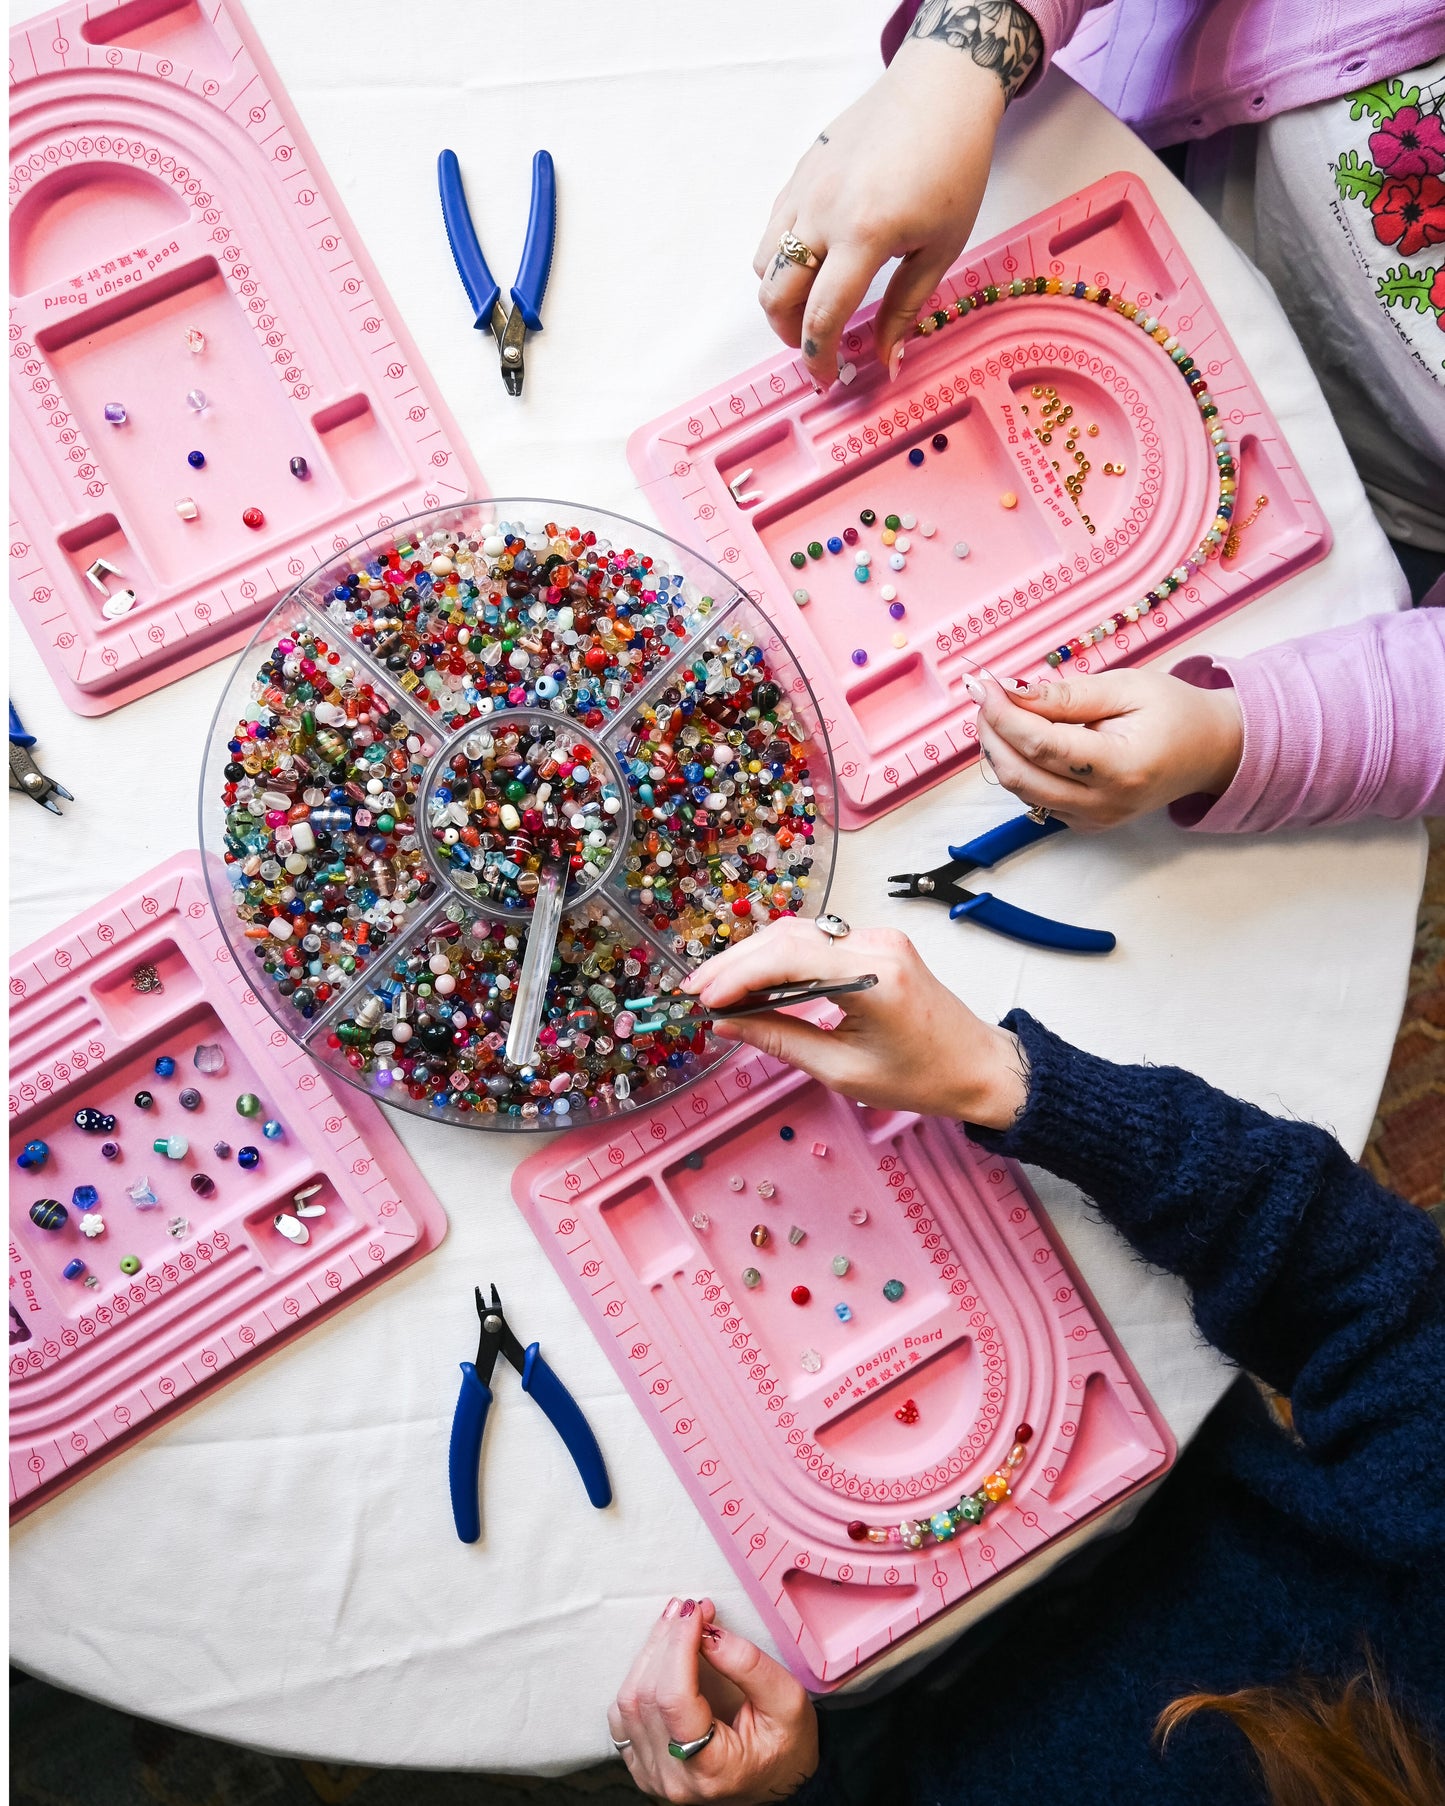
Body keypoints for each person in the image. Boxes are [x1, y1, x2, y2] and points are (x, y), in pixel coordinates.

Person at [606, 917, 1445, 1805]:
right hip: (1152, 1453)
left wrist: (783, 1788)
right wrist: (1006, 1081)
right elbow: (1369, 1295)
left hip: (860, 1698)